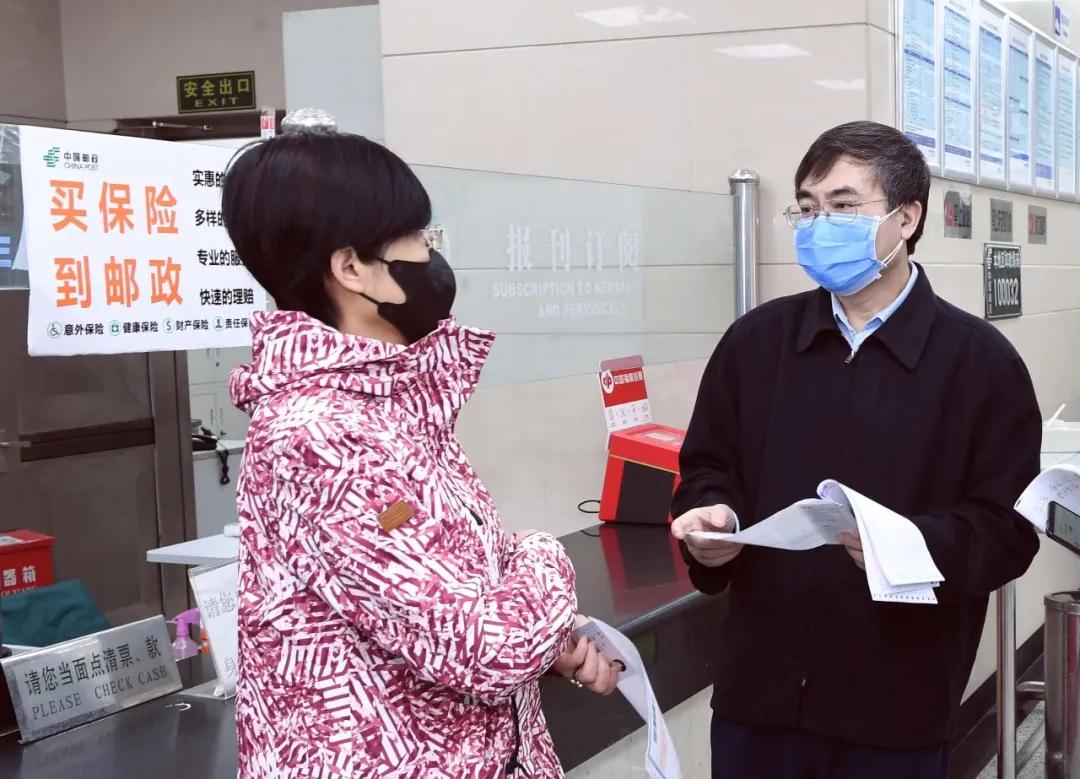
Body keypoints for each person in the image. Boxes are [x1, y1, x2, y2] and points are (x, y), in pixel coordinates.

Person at [223, 122, 619, 778]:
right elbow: (485, 646)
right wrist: (542, 553)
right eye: (417, 237)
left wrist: (547, 639)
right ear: (352, 268)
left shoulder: (389, 405)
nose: (432, 254)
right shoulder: (321, 436)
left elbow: (442, 607)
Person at [670, 121, 1041, 779]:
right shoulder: (756, 344)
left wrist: (908, 546)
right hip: (758, 701)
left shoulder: (981, 365)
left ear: (907, 218)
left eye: (843, 207)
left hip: (894, 711)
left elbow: (1008, 531)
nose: (820, 226)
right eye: (807, 209)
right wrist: (712, 513)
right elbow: (708, 465)